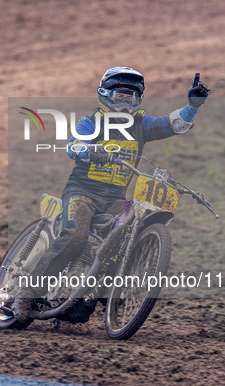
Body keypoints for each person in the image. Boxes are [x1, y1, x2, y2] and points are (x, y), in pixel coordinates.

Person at [12, 66, 210, 321]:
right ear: (106, 95)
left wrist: (193, 105)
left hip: (115, 200)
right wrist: (88, 150)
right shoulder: (92, 121)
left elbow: (174, 124)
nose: (126, 102)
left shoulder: (142, 125)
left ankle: (97, 296)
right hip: (82, 193)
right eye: (121, 96)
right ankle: (26, 294)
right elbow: (73, 145)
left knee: (128, 233)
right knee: (74, 236)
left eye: (132, 97)